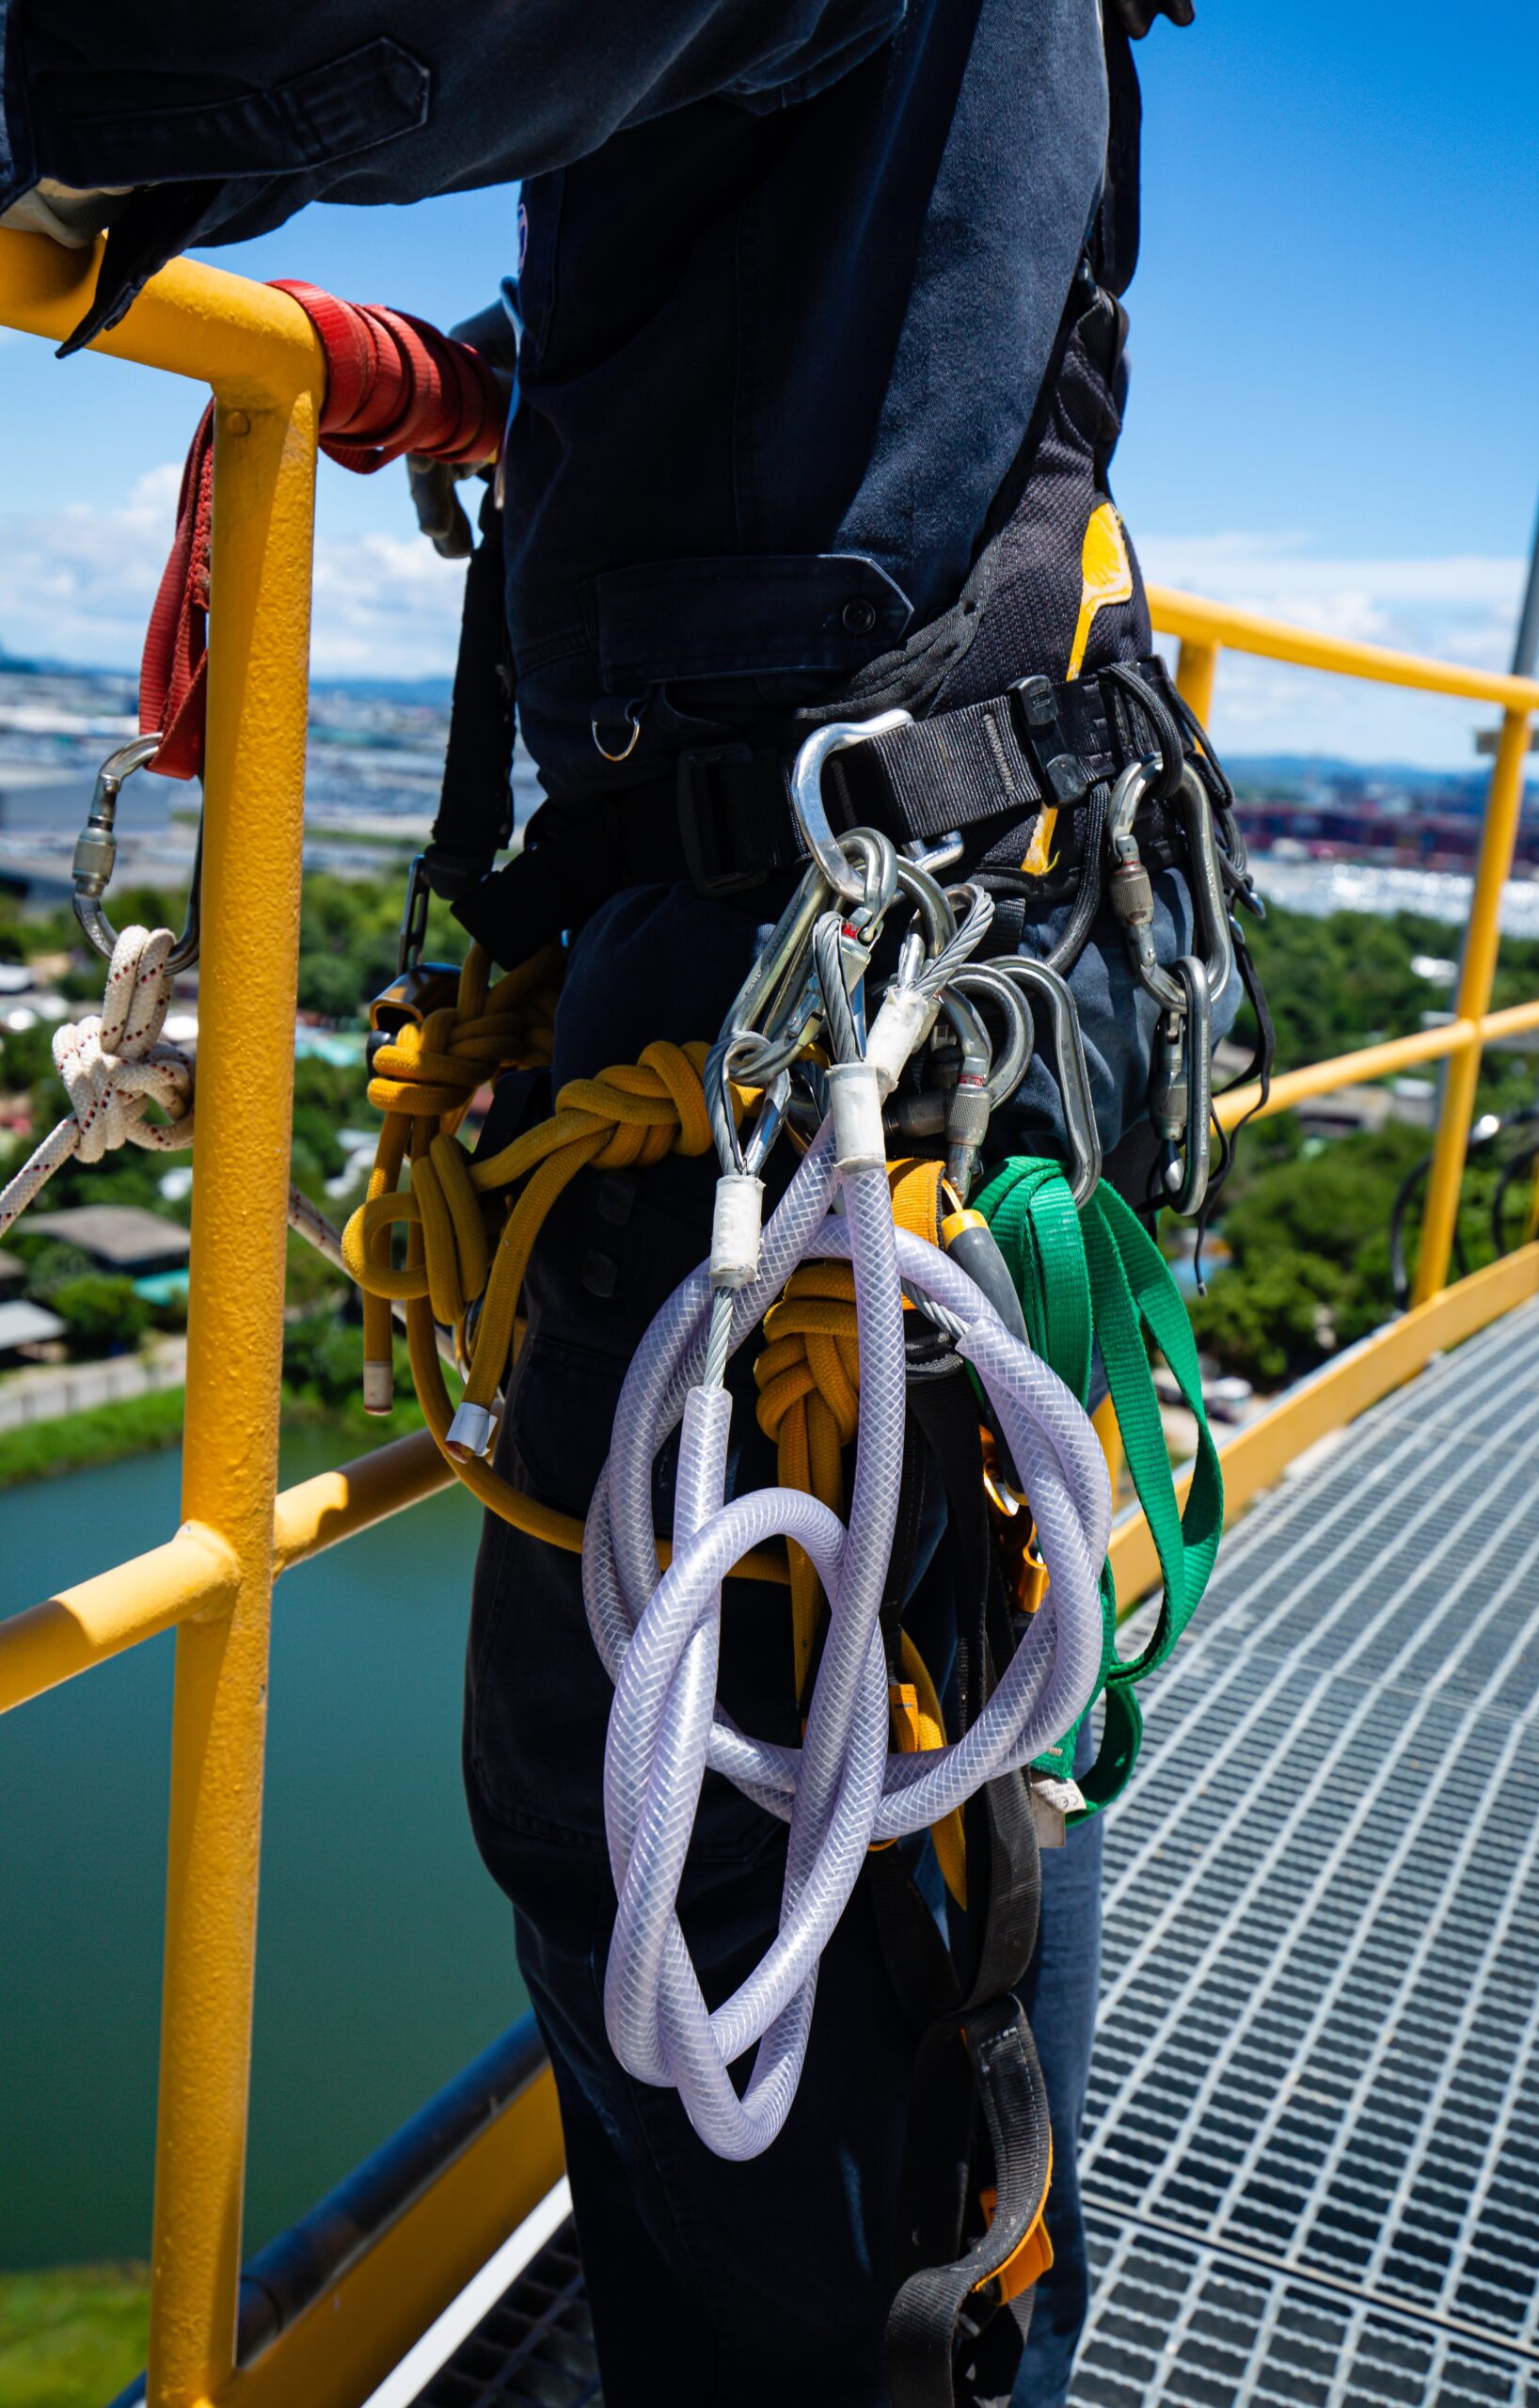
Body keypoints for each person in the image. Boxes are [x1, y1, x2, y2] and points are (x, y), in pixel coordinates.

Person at [0, 5, 1215, 2399]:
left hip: (783, 1037)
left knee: (730, 1858)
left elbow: (346, 36)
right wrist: (464, 375)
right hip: (864, 977)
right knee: (834, 1810)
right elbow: (813, 306)